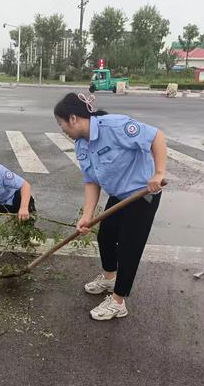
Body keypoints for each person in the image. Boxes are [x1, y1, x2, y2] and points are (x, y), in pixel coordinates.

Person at [53, 93, 167, 321]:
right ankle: (109, 277)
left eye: (61, 124)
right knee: (105, 237)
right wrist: (87, 215)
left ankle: (118, 301)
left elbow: (156, 136)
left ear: (73, 118)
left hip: (141, 195)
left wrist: (159, 173)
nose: (62, 129)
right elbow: (91, 181)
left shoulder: (115, 126)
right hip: (119, 195)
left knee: (129, 248)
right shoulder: (81, 145)